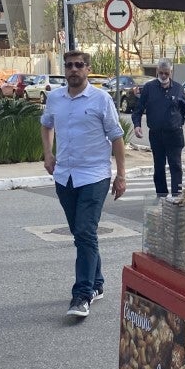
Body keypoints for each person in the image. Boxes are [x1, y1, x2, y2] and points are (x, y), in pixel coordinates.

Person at [41, 49, 127, 319]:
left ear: (88, 69)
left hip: (94, 176)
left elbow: (116, 137)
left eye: (79, 65)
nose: (73, 70)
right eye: (69, 66)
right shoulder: (55, 98)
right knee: (81, 234)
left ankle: (82, 294)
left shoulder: (101, 99)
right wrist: (48, 152)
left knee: (85, 232)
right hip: (65, 175)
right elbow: (46, 125)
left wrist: (121, 174)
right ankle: (98, 282)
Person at [132, 58, 185, 198]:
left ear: (171, 72)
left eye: (166, 73)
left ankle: (176, 195)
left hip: (174, 134)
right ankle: (161, 195)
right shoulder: (149, 88)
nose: (164, 76)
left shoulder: (178, 88)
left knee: (176, 166)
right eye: (161, 73)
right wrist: (137, 126)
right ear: (157, 72)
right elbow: (138, 109)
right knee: (159, 167)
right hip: (156, 135)